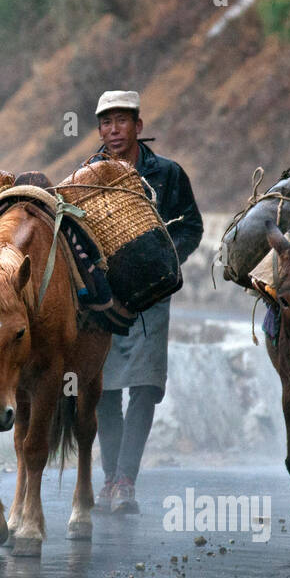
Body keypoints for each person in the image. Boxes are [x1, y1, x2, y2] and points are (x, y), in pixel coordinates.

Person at [90, 90, 203, 514]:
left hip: (152, 296)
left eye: (122, 121)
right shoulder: (87, 175)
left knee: (144, 386)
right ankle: (107, 478)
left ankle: (125, 480)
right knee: (103, 389)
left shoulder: (168, 175)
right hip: (104, 297)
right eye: (106, 122)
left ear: (138, 126)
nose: (113, 130)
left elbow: (192, 226)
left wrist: (165, 259)